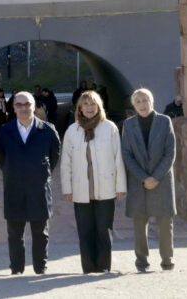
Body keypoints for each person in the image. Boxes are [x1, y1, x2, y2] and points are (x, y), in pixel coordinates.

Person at [0, 91, 61, 275]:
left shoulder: (47, 130)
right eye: (19, 105)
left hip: (39, 189)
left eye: (27, 104)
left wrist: (40, 173)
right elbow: (0, 156)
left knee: (40, 233)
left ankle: (40, 268)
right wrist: (13, 171)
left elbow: (54, 156)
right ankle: (16, 268)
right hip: (14, 188)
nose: (23, 108)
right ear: (14, 108)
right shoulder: (3, 131)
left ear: (34, 107)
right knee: (15, 233)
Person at [60, 90, 125, 273]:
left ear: (99, 106)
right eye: (86, 104)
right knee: (85, 231)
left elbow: (118, 158)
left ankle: (103, 267)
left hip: (106, 187)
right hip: (81, 189)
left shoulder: (109, 128)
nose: (89, 107)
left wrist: (120, 185)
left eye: (93, 104)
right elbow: (66, 163)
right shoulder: (72, 131)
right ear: (80, 108)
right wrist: (67, 188)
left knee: (104, 230)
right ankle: (88, 268)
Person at [121, 88, 176, 272]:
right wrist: (144, 178)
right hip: (139, 181)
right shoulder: (128, 125)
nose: (142, 105)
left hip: (161, 179)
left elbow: (170, 152)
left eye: (145, 100)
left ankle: (167, 260)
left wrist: (155, 177)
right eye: (138, 102)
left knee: (164, 222)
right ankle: (141, 261)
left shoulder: (164, 121)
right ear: (134, 106)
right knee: (139, 223)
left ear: (152, 102)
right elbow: (127, 155)